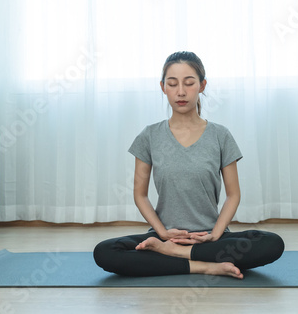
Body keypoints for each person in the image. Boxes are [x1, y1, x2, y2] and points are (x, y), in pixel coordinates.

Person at [93, 51, 284, 279]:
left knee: (272, 243)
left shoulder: (220, 135)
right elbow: (140, 195)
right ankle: (205, 265)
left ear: (202, 85)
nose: (181, 92)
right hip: (164, 238)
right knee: (104, 252)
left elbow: (233, 195)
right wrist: (163, 234)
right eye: (172, 84)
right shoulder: (149, 136)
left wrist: (215, 233)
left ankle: (176, 255)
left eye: (189, 83)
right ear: (163, 87)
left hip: (211, 238)